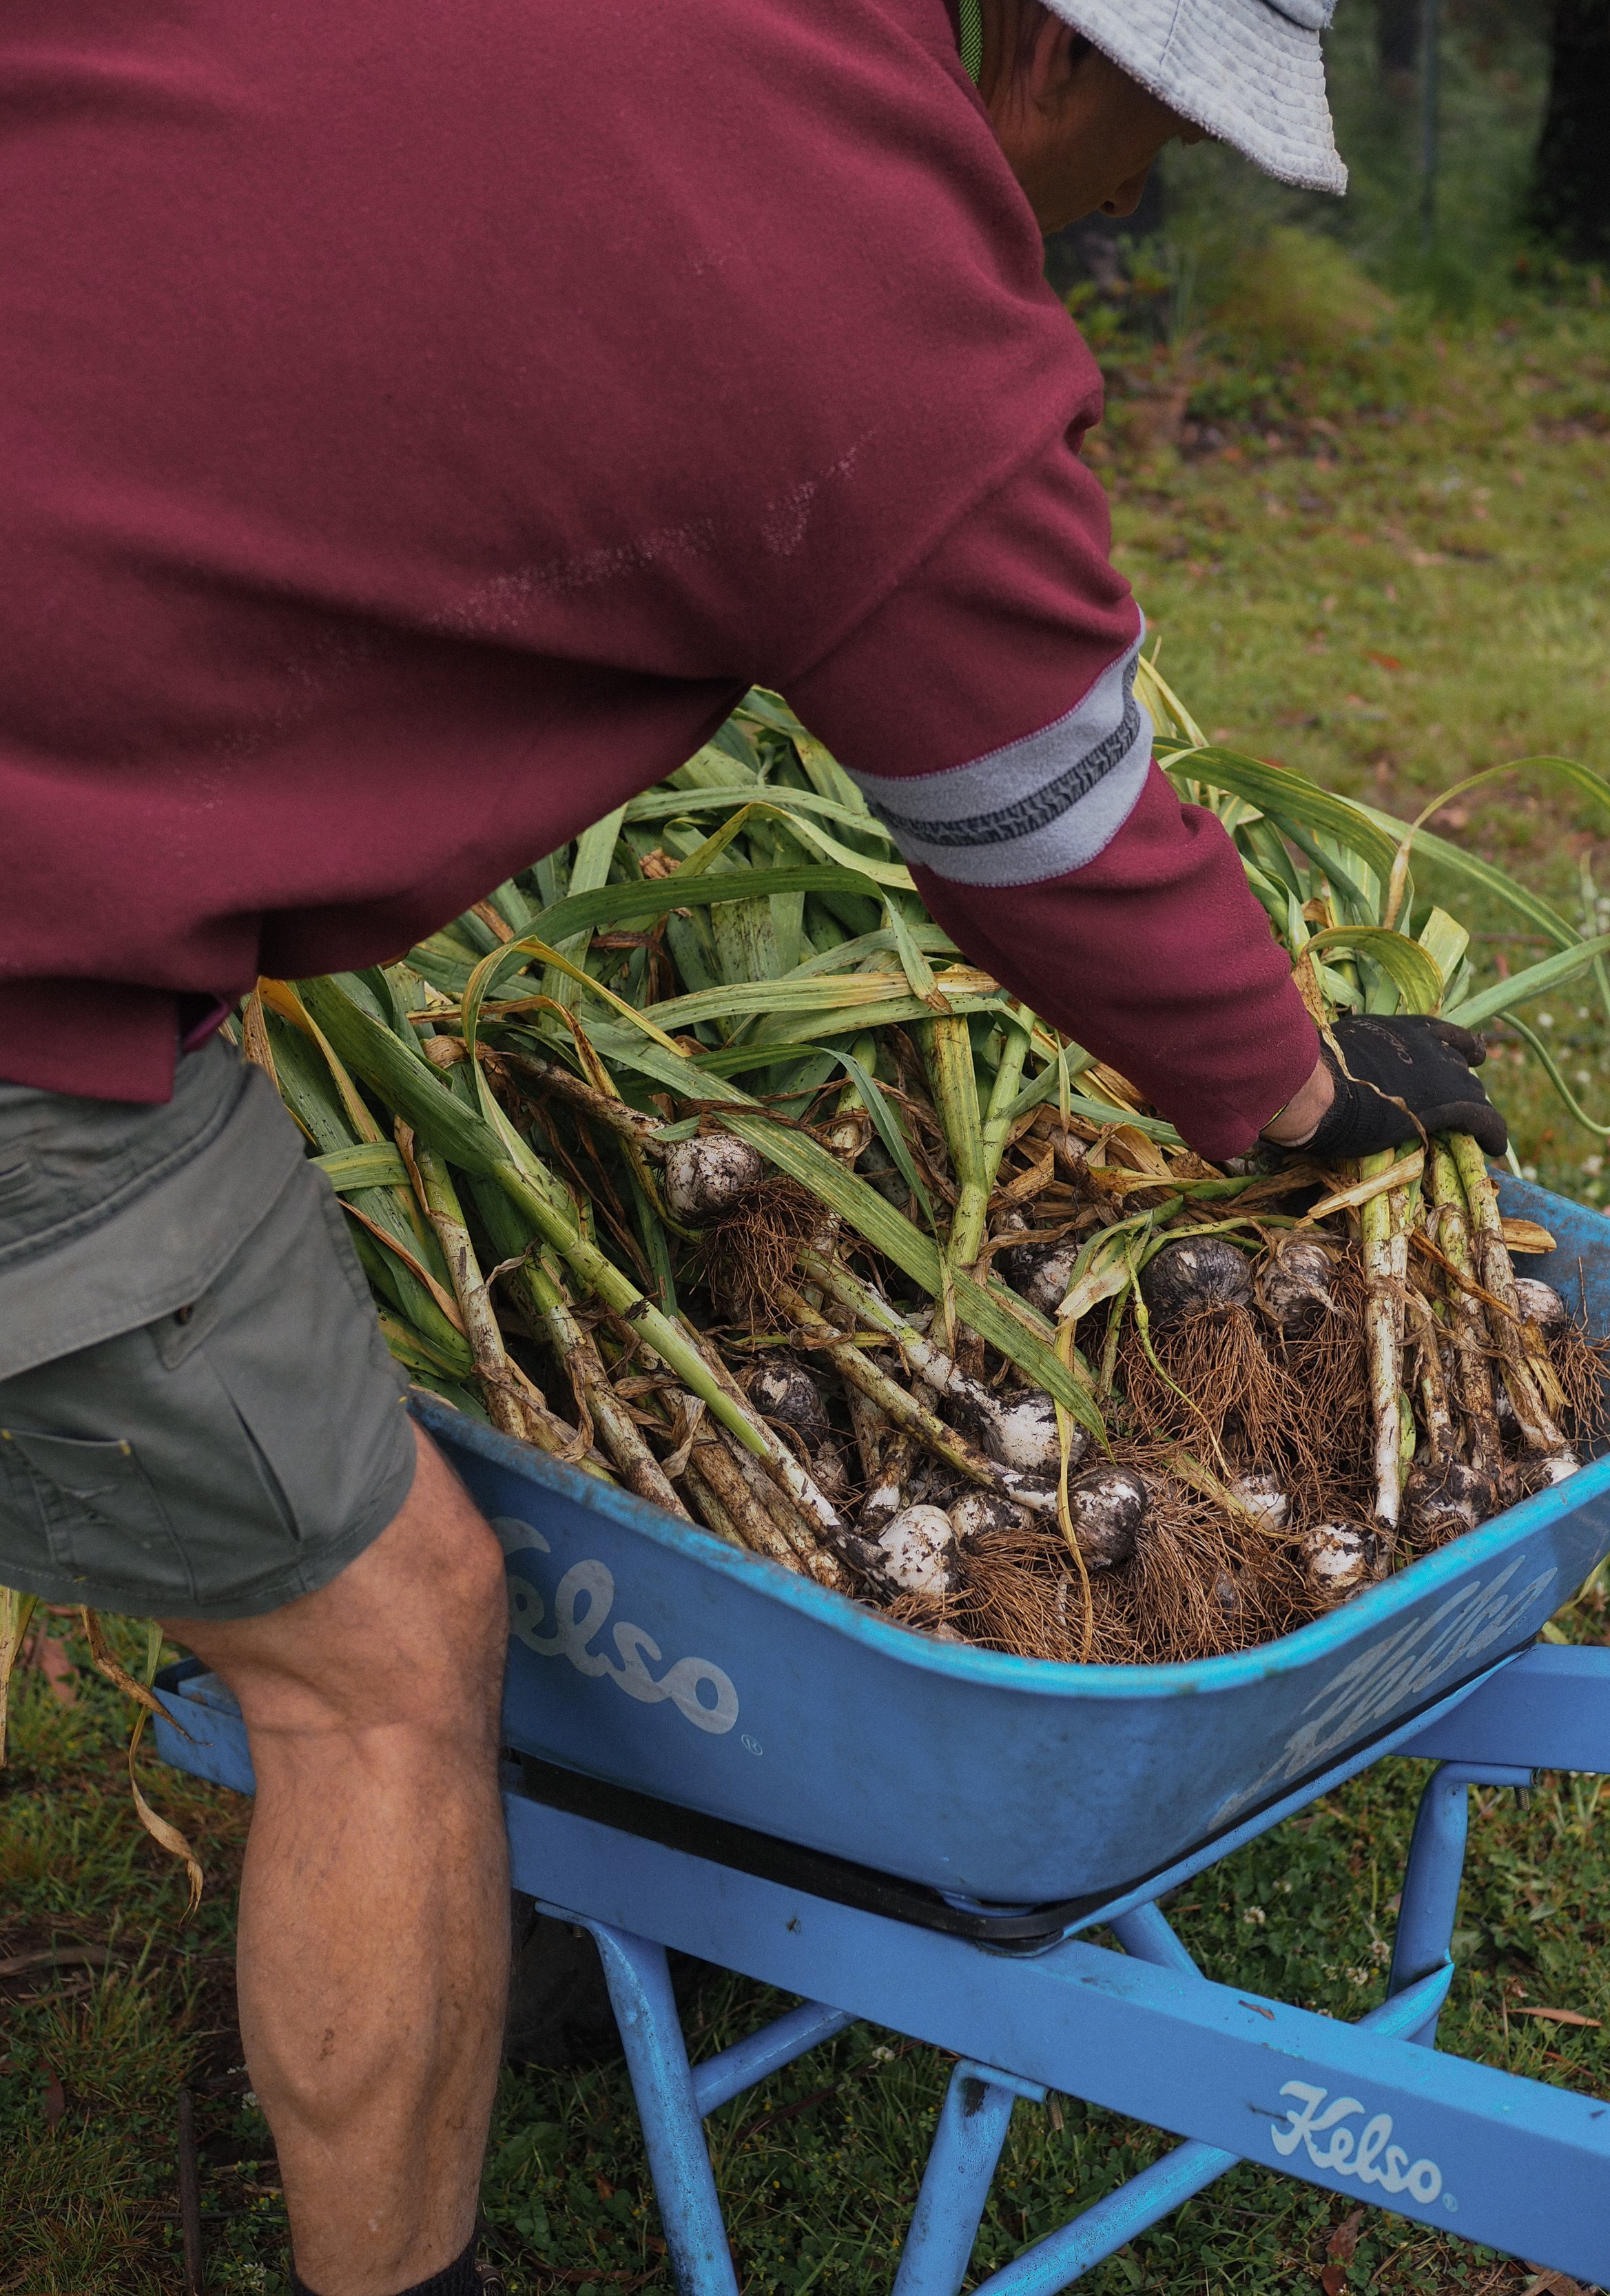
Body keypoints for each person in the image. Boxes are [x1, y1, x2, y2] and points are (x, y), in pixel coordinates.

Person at [0, 1, 1505, 2288]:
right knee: (381, 1644)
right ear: (1046, 58)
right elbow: (1055, 827)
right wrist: (1303, 1096)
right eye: (1157, 140)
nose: (1129, 202)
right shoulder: (877, 297)